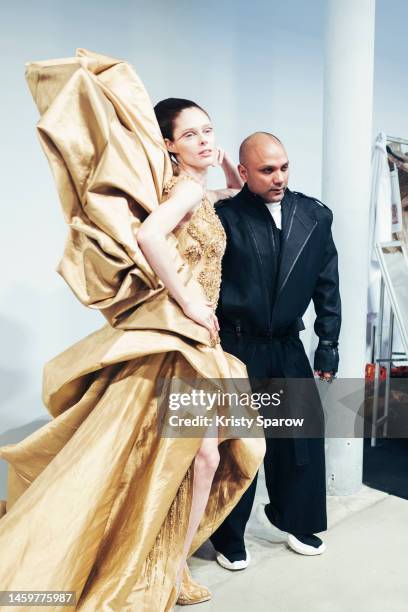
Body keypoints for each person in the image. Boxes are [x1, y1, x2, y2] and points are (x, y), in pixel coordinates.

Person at [0, 49, 264, 611]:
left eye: (208, 129)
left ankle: (167, 563)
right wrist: (190, 300)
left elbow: (220, 204)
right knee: (193, 456)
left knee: (197, 456)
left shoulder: (192, 189)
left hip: (195, 340)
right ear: (167, 143)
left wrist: (223, 173)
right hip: (185, 338)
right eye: (189, 134)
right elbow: (150, 240)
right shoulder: (185, 192)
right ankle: (162, 569)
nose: (202, 139)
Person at [210, 131, 341, 569]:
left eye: (284, 166)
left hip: (288, 344)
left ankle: (297, 521)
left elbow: (327, 286)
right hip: (236, 345)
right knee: (238, 442)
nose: (279, 177)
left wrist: (328, 345)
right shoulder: (224, 217)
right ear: (244, 173)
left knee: (299, 436)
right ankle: (229, 535)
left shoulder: (314, 216)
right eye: (267, 170)